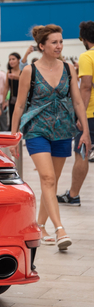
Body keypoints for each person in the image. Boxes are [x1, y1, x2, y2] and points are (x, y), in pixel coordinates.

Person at [11, 24, 91, 251]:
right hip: (37, 129)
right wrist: (14, 136)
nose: (59, 46)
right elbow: (18, 105)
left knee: (52, 181)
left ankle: (39, 225)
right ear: (42, 46)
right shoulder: (30, 71)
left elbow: (77, 101)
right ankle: (60, 230)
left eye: (61, 42)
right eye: (54, 42)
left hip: (63, 130)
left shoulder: (68, 68)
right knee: (47, 178)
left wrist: (85, 131)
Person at [57, 21, 94, 206]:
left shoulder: (88, 56)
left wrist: (81, 116)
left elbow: (86, 87)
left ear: (85, 39)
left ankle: (73, 195)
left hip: (91, 114)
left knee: (82, 153)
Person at [7, 53, 22, 129]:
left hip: (22, 99)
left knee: (21, 119)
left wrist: (17, 77)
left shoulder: (23, 71)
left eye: (13, 59)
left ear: (19, 60)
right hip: (12, 99)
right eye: (10, 59)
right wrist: (4, 101)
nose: (11, 61)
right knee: (12, 119)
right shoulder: (9, 72)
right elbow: (6, 87)